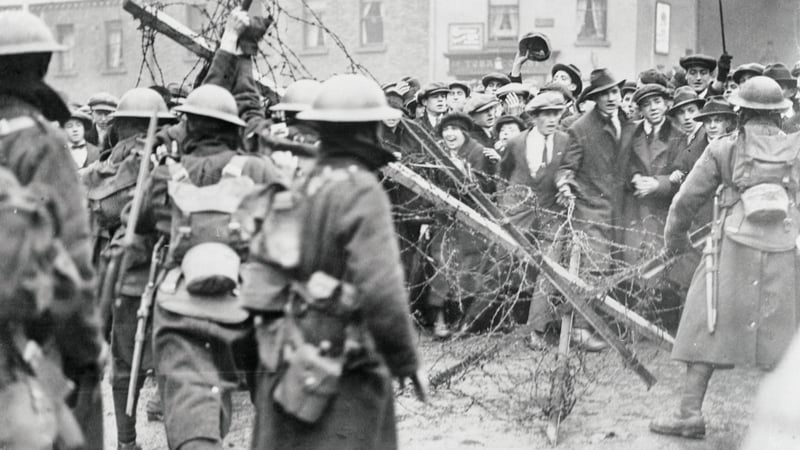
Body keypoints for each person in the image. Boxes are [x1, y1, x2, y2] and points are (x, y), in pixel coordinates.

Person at [243, 73, 424, 450]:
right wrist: (404, 359)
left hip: (292, 350)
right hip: (345, 363)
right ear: (368, 131)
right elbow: (382, 291)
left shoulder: (304, 181)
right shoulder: (360, 188)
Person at [650, 76, 800, 439]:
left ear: (740, 111)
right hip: (783, 247)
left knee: (705, 322)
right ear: (780, 114)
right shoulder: (797, 148)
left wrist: (676, 243)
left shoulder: (722, 148)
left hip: (732, 248)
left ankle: (689, 414)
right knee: (785, 335)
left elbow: (684, 202)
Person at [0, 9, 104, 448]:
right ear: (41, 65)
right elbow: (70, 263)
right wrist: (87, 351)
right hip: (24, 345)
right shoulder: (40, 142)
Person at [83, 87, 176, 450]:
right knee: (155, 361)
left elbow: (103, 205)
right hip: (155, 275)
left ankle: (128, 439)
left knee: (128, 363)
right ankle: (131, 439)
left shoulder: (139, 159)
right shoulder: (140, 158)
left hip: (138, 274)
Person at [557, 68, 634, 272]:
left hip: (623, 210)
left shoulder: (629, 123)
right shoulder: (580, 128)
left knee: (624, 276)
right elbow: (567, 167)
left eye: (614, 92)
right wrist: (565, 184)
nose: (610, 98)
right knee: (595, 272)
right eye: (603, 94)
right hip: (592, 213)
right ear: (595, 98)